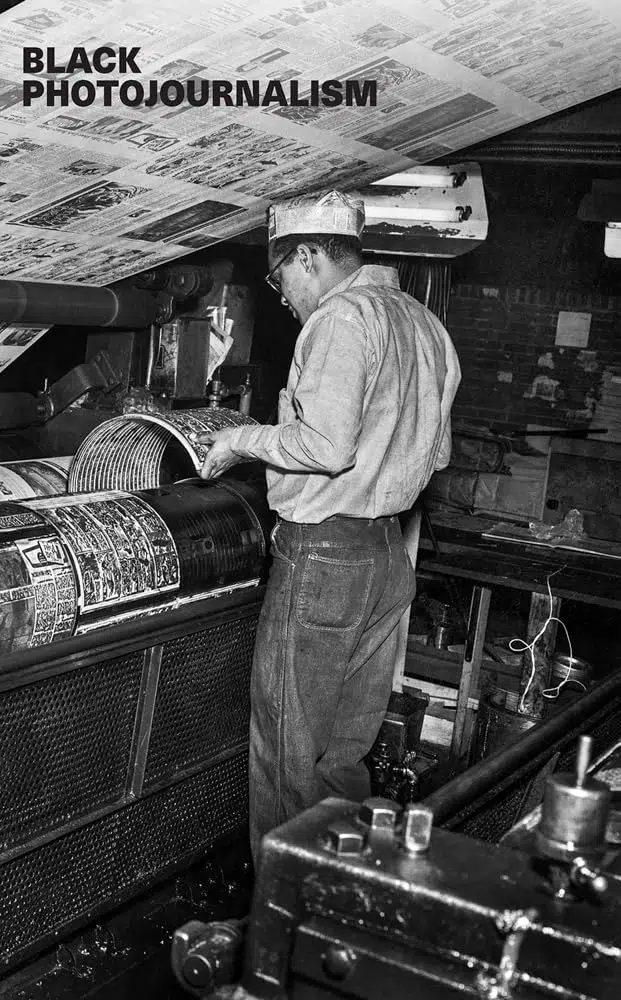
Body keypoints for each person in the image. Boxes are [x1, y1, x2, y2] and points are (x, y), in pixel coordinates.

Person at [195, 189, 461, 861]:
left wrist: (240, 441)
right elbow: (438, 454)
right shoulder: (421, 322)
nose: (282, 296)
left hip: (322, 562)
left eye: (280, 276)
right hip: (384, 558)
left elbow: (324, 447)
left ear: (309, 254)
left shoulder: (343, 318)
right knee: (342, 756)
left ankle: (280, 935)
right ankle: (336, 909)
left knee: (287, 754)